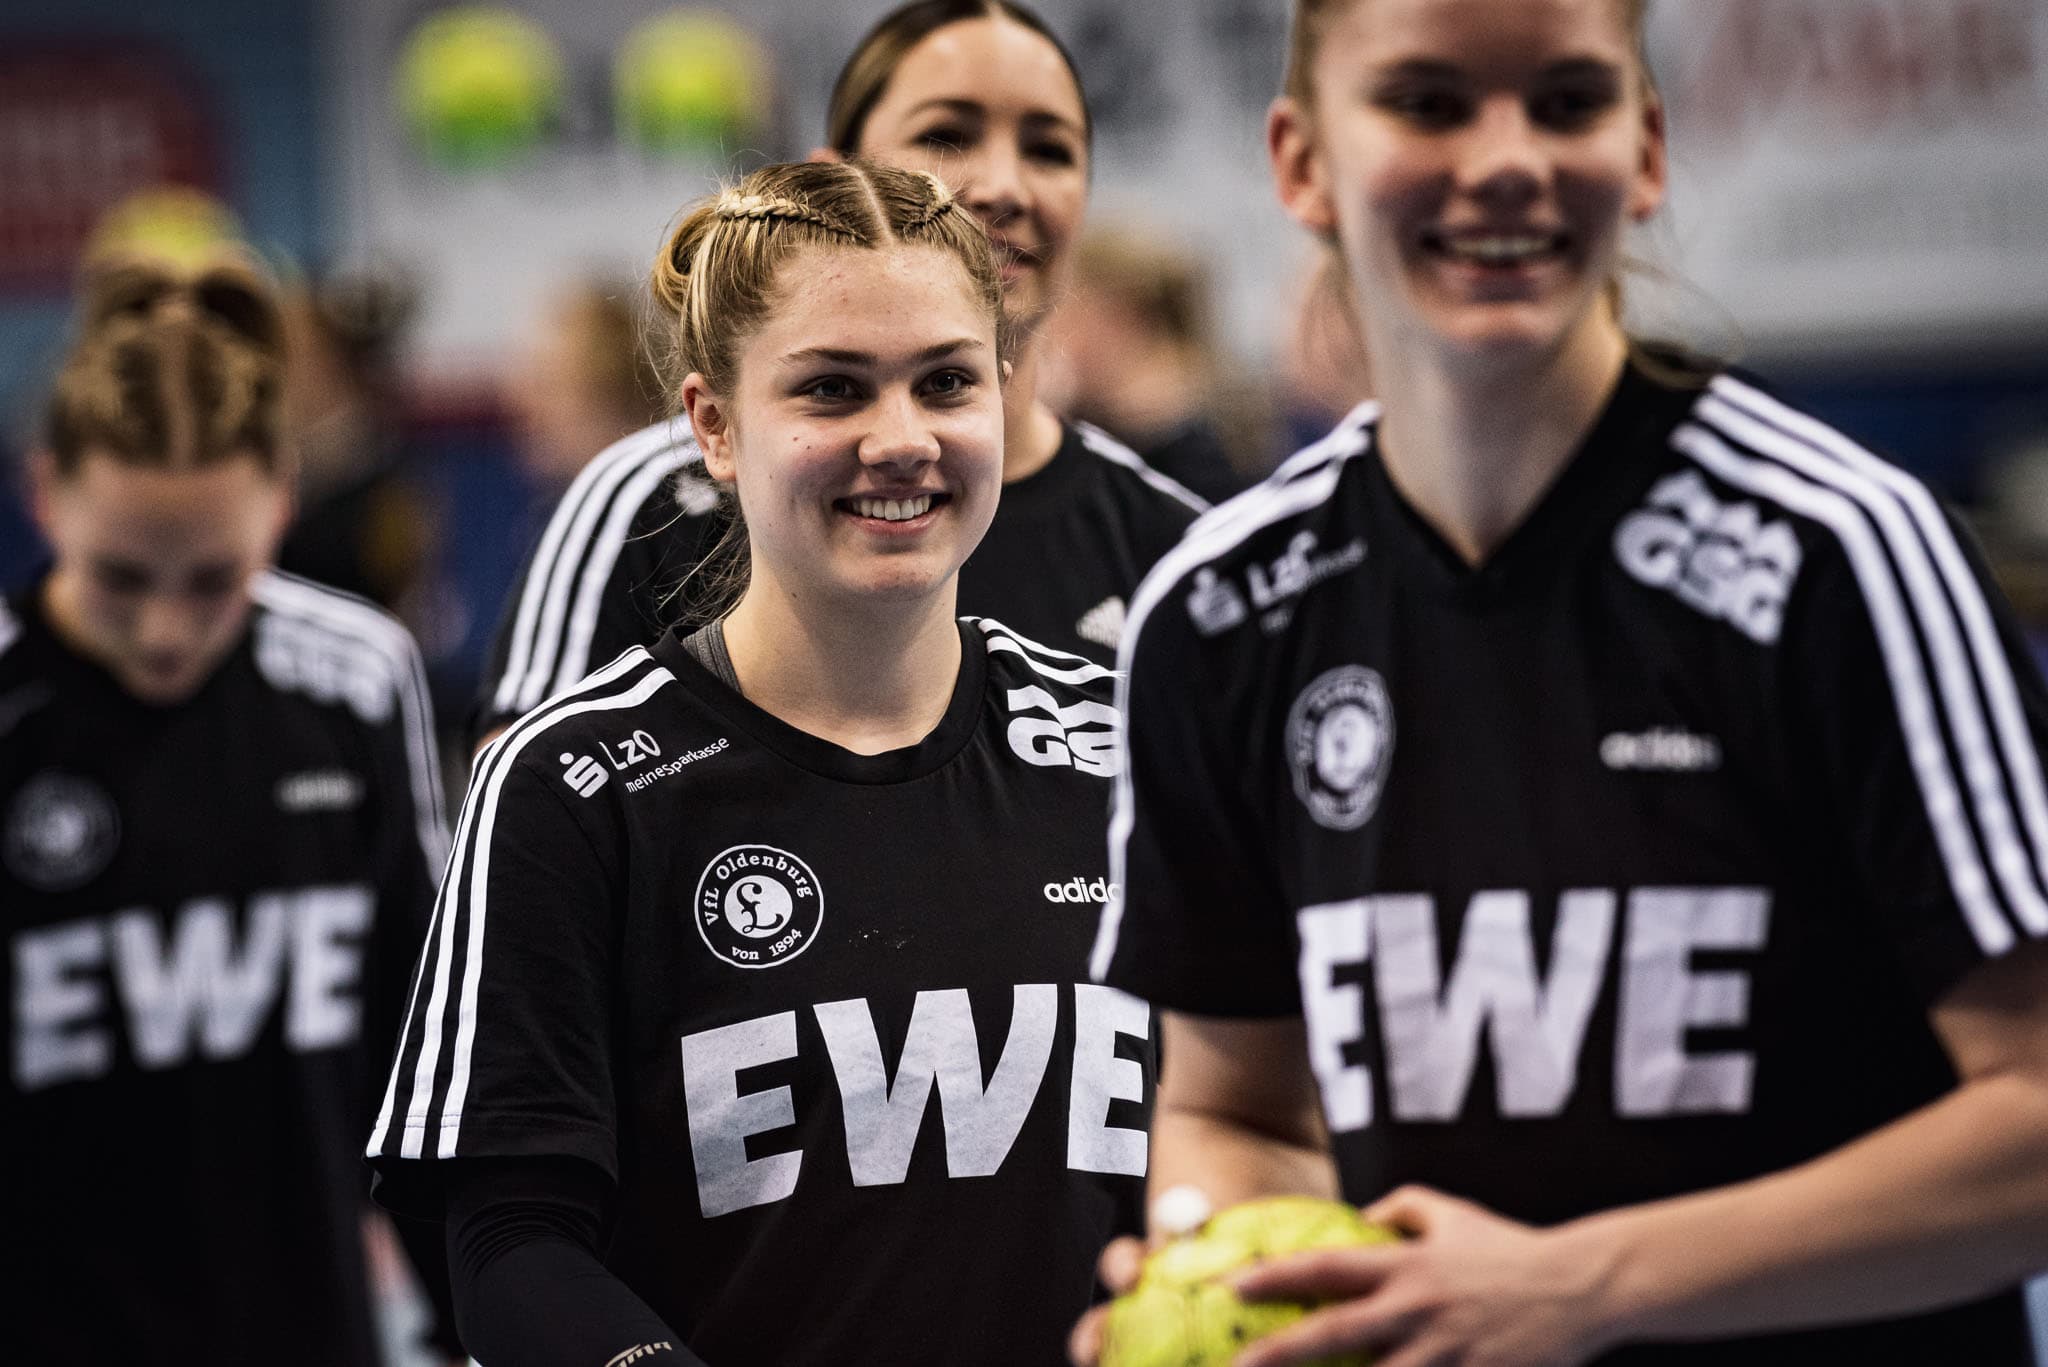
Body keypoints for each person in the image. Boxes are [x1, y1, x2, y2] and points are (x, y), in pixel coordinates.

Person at [1080, 1, 2048, 1365]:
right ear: (1300, 160)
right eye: (1426, 103)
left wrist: (1584, 1285)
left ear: (1645, 148)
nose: (1505, 160)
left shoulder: (1840, 555)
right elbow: (1235, 1111)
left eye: (1567, 101)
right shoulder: (1220, 613)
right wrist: (1228, 1272)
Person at [367, 159, 1153, 1367]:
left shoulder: (1130, 747)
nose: (901, 439)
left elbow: (1234, 1128)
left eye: (945, 380)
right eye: (832, 388)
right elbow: (511, 1241)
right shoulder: (572, 785)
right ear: (715, 426)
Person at [474, 0, 1206, 743]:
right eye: (946, 136)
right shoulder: (650, 506)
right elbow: (534, 789)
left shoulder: (1176, 549)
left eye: (1049, 149)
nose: (1005, 187)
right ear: (833, 184)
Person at [3, 258, 461, 1365]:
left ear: (281, 500)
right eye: (121, 578)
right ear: (45, 491)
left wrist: (466, 1318)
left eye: (214, 579)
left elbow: (423, 1044)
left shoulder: (355, 678)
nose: (165, 631)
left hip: (310, 1328)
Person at [1046, 226, 1251, 504]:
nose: (1053, 332)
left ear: (1116, 318)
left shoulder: (1201, 454)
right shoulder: (1103, 424)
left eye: (1066, 310)